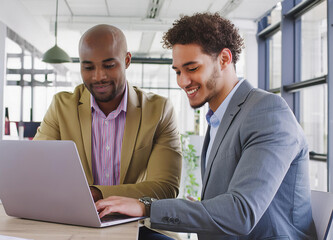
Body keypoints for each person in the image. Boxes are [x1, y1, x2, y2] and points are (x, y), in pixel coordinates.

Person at [94, 13, 317, 239]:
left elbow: (241, 213)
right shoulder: (220, 117)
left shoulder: (267, 112)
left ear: (224, 59)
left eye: (192, 69)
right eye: (178, 71)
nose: (182, 81)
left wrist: (146, 207)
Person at [34, 24, 182, 239]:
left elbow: (165, 187)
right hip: (76, 223)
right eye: (88, 67)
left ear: (127, 61)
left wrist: (97, 194)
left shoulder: (158, 110)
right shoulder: (61, 107)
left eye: (109, 65)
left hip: (137, 226)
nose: (98, 77)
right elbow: (37, 171)